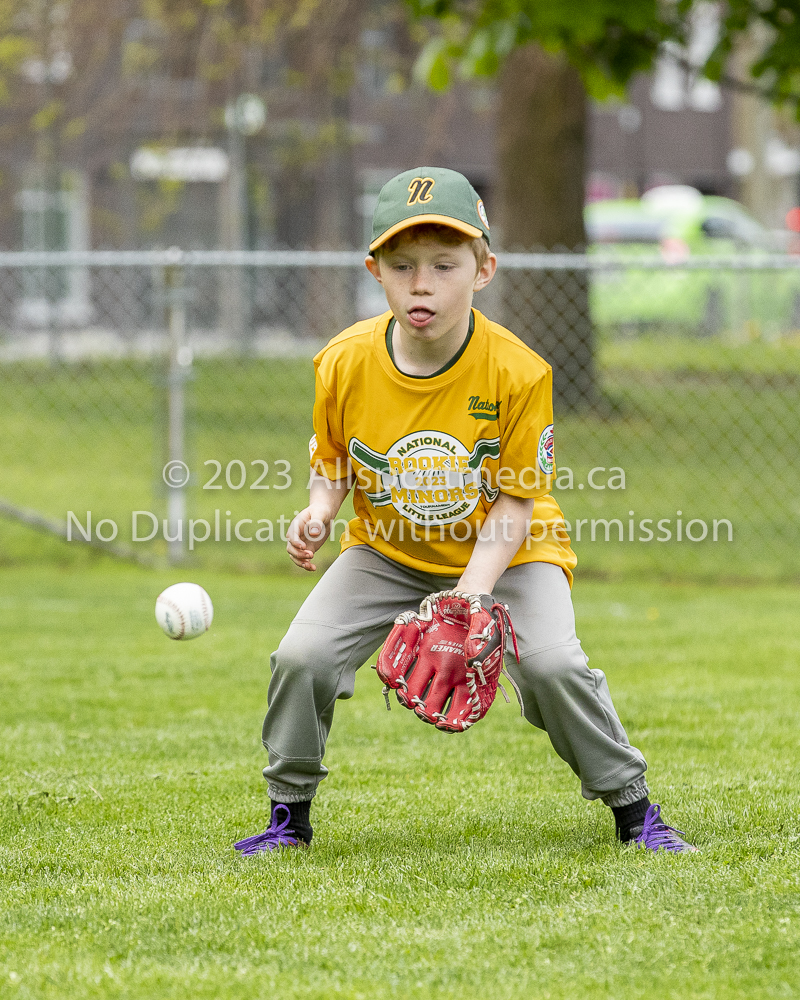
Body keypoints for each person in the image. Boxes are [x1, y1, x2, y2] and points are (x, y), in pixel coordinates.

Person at [233, 167, 696, 857]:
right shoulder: (343, 361)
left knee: (554, 668)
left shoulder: (517, 371)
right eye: (403, 265)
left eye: (446, 266)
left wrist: (470, 596)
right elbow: (333, 454)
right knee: (302, 656)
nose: (423, 284)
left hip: (510, 552)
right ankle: (288, 816)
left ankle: (635, 810)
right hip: (387, 551)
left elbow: (515, 502)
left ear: (483, 270)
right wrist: (319, 510)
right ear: (375, 271)